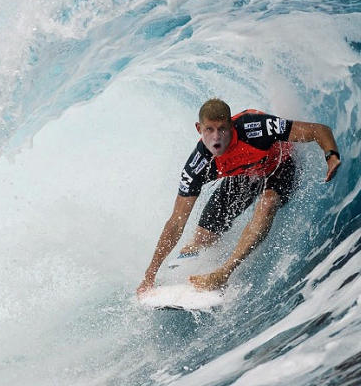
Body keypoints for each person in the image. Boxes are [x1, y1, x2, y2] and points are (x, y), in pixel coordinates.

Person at [137, 98, 340, 294]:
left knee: (267, 204)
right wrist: (150, 274)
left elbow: (319, 130)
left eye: (222, 129)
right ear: (199, 129)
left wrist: (331, 156)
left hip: (281, 165)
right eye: (209, 130)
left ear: (232, 126)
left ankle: (223, 273)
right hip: (246, 175)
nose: (216, 137)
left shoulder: (256, 127)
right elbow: (175, 223)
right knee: (202, 237)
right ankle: (185, 265)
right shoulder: (198, 165)